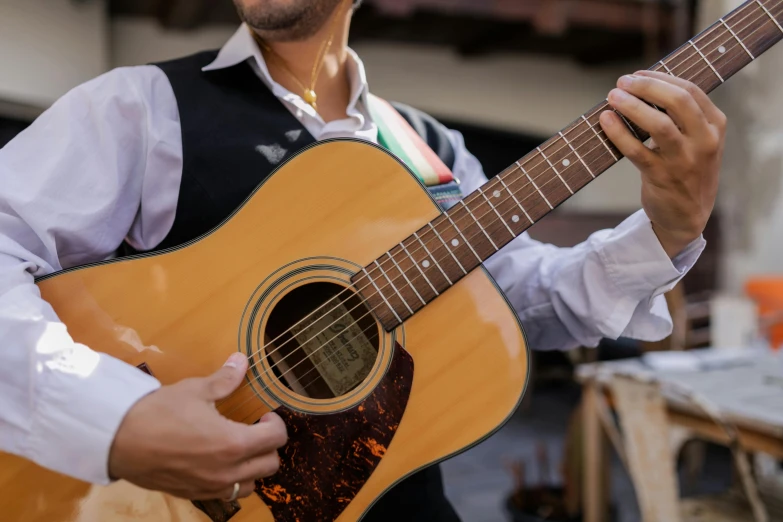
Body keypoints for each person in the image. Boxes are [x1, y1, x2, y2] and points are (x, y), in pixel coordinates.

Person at [0, 0, 725, 520]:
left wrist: (668, 224)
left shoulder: (428, 148)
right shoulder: (140, 108)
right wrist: (116, 420)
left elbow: (526, 300)